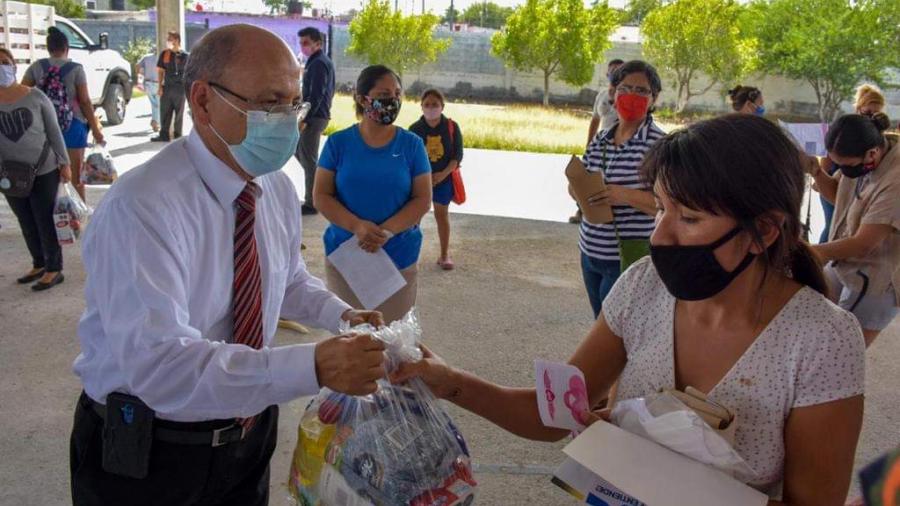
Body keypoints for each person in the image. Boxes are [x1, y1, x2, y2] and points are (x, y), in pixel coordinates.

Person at [394, 114, 866, 505]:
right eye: (660, 209)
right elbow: (554, 415)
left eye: (690, 218)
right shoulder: (644, 287)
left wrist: (647, 464)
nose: (660, 236)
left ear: (764, 231)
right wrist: (449, 381)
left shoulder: (823, 339)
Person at [70, 25, 387, 505]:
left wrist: (342, 316)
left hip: (248, 432)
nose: (287, 120)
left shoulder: (273, 186)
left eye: (293, 103)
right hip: (154, 448)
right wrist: (314, 364)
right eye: (268, 102)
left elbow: (286, 279)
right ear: (201, 101)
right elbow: (162, 366)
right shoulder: (143, 206)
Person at [313, 65, 432, 324]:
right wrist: (357, 227)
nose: (393, 101)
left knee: (393, 341)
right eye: (384, 93)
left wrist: (385, 232)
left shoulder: (412, 145)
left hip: (398, 257)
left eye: (398, 94)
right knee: (351, 340)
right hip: (347, 256)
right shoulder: (338, 144)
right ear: (361, 98)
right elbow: (321, 195)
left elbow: (423, 199)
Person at [575, 59, 665, 318]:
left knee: (616, 332)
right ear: (613, 93)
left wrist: (622, 195)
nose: (632, 96)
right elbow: (585, 177)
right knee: (599, 323)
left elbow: (672, 207)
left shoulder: (660, 146)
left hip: (627, 258)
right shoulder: (601, 139)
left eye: (642, 91)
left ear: (654, 98)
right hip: (590, 251)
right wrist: (577, 189)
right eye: (625, 88)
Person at [810, 113, 900, 347]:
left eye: (846, 166)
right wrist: (816, 172)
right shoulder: (861, 161)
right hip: (845, 263)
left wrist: (808, 252)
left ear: (871, 154)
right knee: (814, 328)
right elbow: (838, 197)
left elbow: (863, 243)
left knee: (841, 350)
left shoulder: (896, 178)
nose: (842, 170)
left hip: (877, 277)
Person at [0, 48, 71, 291]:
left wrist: (65, 163)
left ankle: (54, 268)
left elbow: (54, 132)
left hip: (44, 169)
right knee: (26, 220)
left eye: (5, 62)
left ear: (14, 66)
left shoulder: (36, 97)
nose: (2, 67)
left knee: (45, 219)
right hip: (9, 174)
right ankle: (38, 263)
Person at [22, 26, 104, 202]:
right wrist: (96, 129)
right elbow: (84, 101)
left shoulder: (36, 67)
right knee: (76, 175)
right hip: (73, 125)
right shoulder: (76, 69)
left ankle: (52, 212)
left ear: (48, 48)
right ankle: (78, 213)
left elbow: (24, 92)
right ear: (66, 48)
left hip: (43, 127)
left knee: (48, 174)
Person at [819, 84, 887, 243]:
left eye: (877, 113)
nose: (872, 118)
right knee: (833, 226)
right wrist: (820, 177)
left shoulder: (877, 138)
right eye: (869, 112)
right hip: (834, 186)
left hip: (861, 193)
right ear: (859, 108)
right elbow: (824, 167)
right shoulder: (842, 134)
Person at [409, 88, 463, 270]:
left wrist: (442, 174)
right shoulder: (415, 129)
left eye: (435, 104)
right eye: (427, 105)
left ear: (442, 106)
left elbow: (457, 156)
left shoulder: (451, 127)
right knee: (415, 217)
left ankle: (444, 254)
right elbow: (410, 158)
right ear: (421, 107)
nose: (431, 108)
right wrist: (424, 177)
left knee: (442, 216)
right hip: (420, 181)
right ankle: (410, 255)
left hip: (444, 179)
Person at [571, 59, 624, 224]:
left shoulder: (625, 96)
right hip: (600, 144)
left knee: (610, 182)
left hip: (620, 145)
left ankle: (609, 217)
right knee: (587, 180)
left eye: (618, 70)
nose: (613, 74)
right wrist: (589, 144)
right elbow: (595, 120)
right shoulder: (601, 95)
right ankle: (582, 211)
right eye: (611, 71)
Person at [295, 27, 335, 216]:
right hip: (316, 115)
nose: (302, 46)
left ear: (317, 44)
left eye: (306, 43)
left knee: (308, 159)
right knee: (300, 153)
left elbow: (316, 94)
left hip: (315, 117)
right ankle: (318, 191)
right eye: (301, 42)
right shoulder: (317, 61)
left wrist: (306, 118)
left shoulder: (319, 63)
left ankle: (313, 201)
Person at [152, 31, 188, 142]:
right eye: (168, 39)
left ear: (177, 40)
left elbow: (189, 73)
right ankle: (164, 135)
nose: (168, 41)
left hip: (180, 89)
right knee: (165, 112)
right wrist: (159, 87)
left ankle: (178, 135)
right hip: (167, 87)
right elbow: (161, 71)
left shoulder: (186, 56)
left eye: (170, 39)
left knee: (179, 113)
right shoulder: (165, 54)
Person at [137, 50, 161, 132]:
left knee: (155, 104)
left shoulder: (146, 57)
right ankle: (156, 122)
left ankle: (155, 122)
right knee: (157, 105)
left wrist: (139, 82)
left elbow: (138, 67)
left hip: (148, 84)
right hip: (158, 84)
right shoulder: (162, 58)